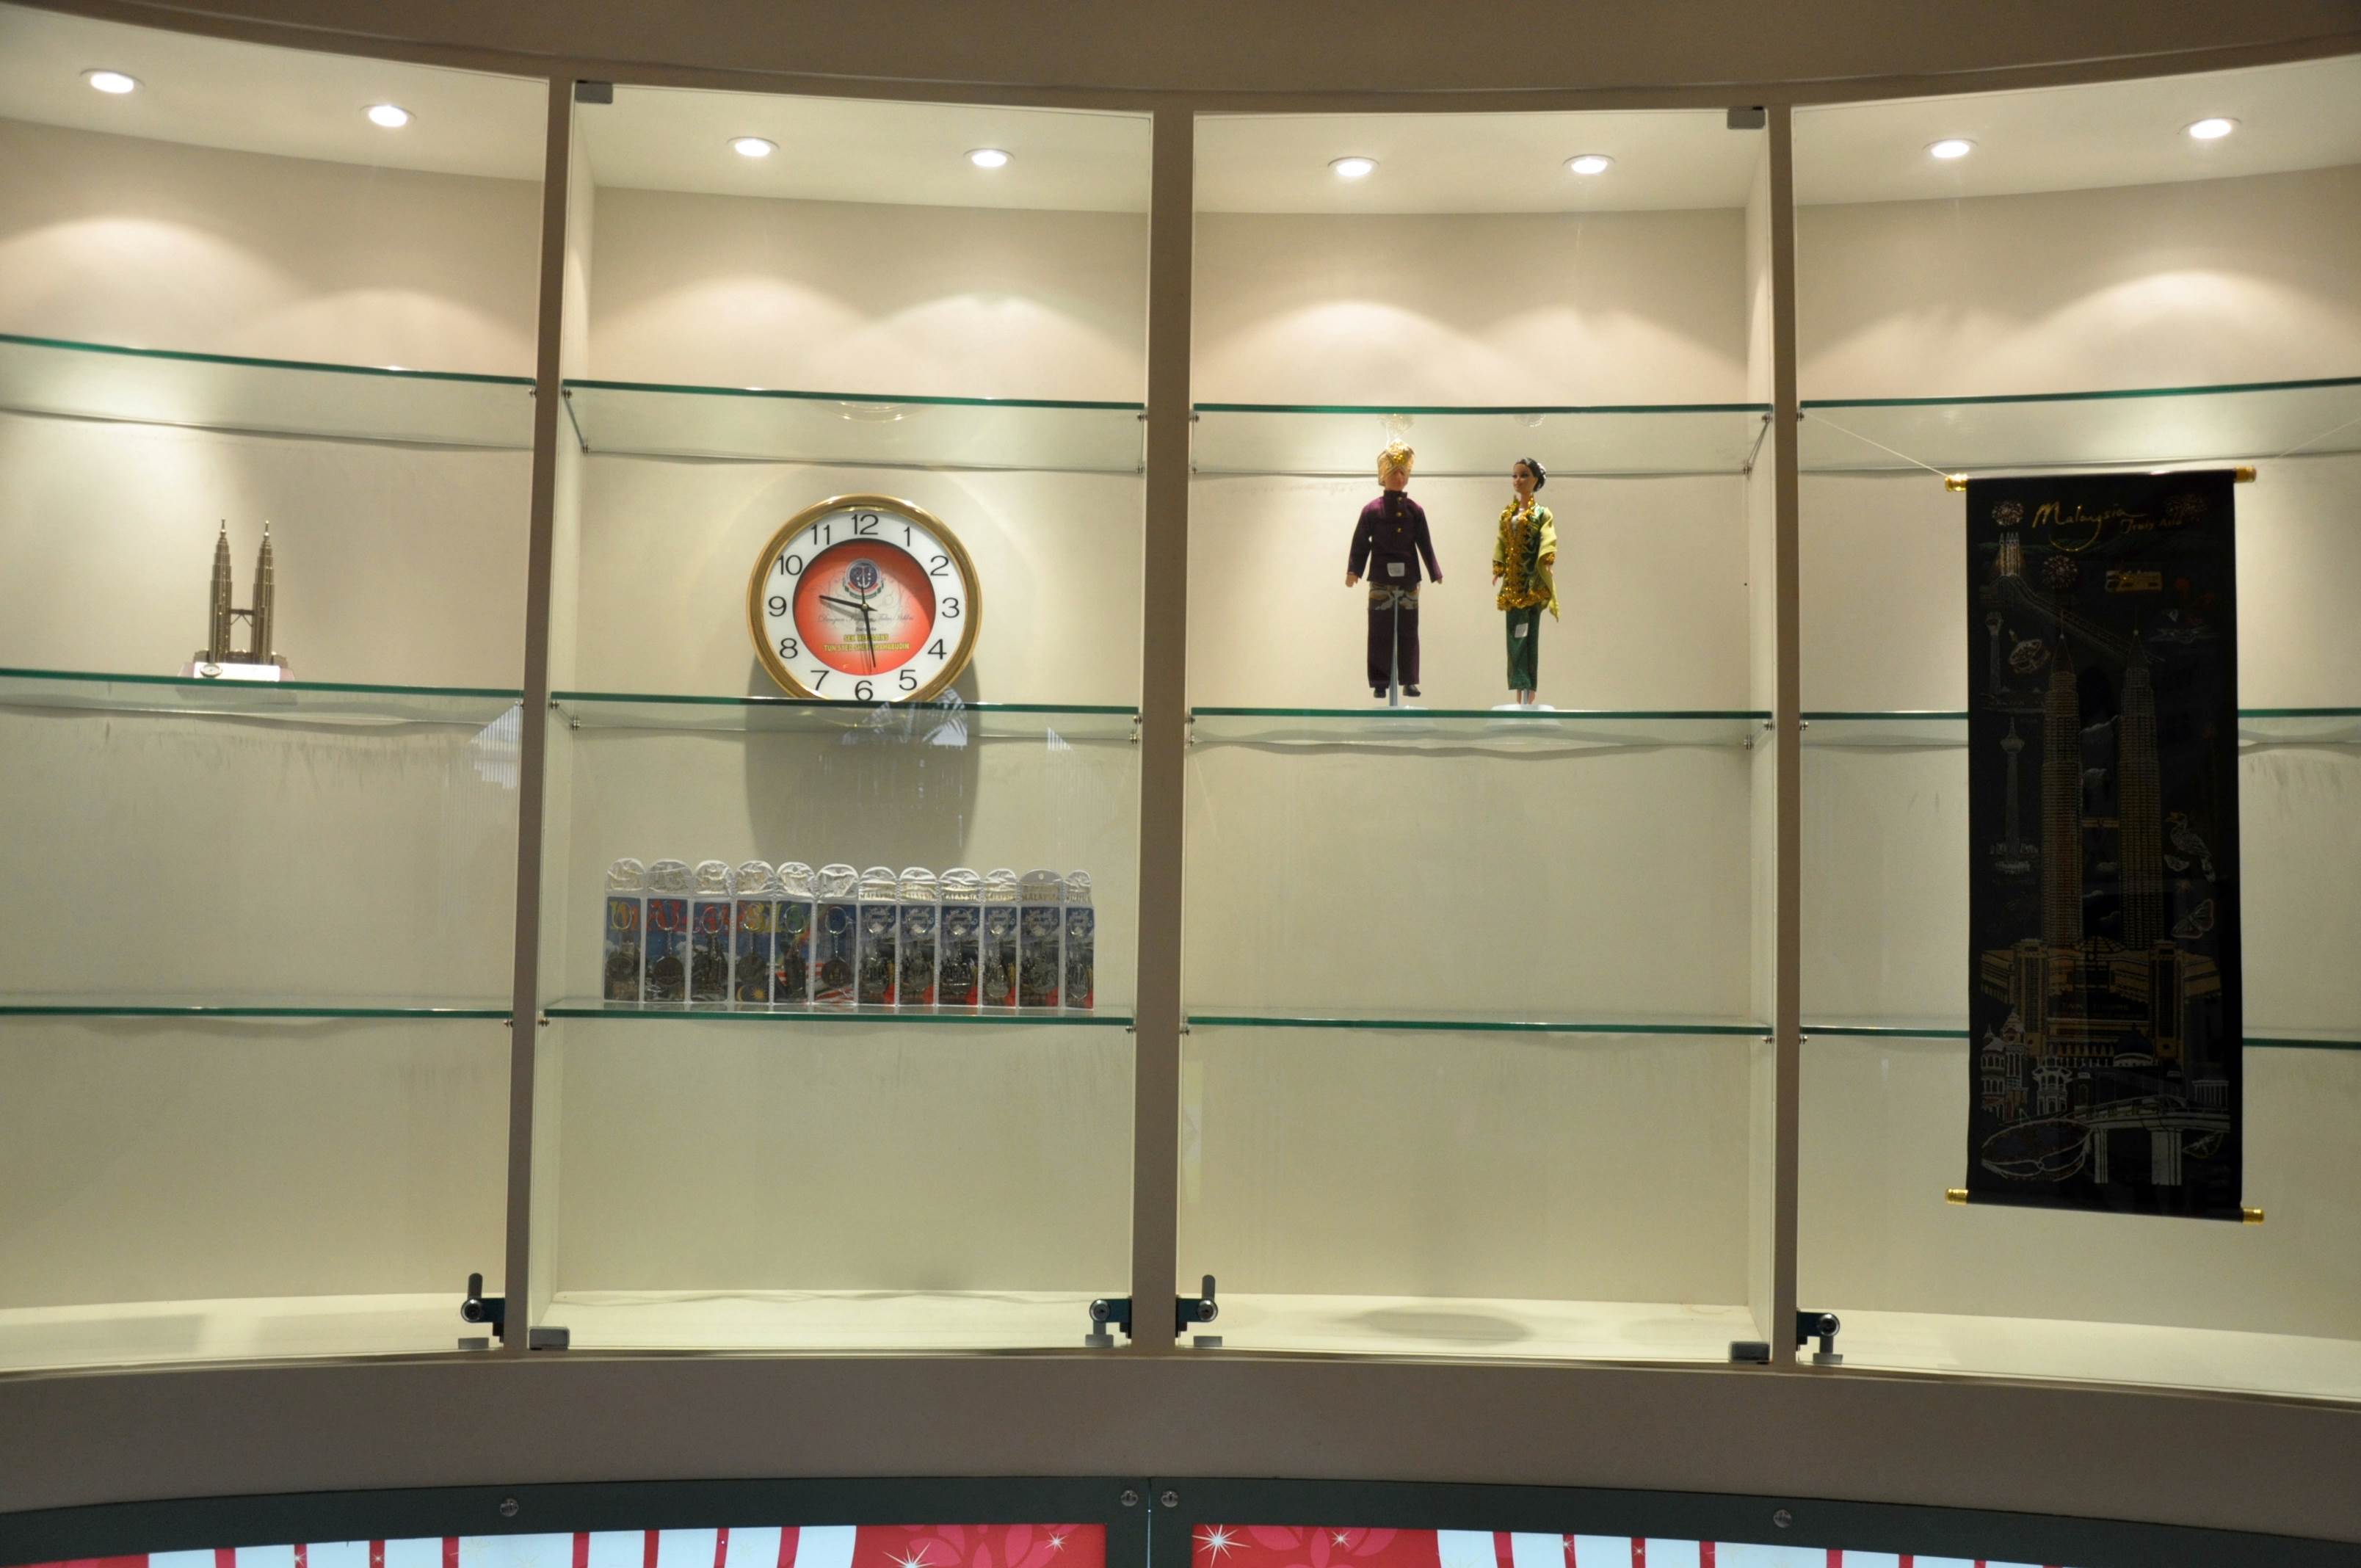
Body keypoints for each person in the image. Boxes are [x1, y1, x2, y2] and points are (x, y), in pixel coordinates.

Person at [1346, 441, 1441, 699]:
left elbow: (1425, 542)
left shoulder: (1415, 511)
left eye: (1403, 473)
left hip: (1409, 578)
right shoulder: (1372, 510)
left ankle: (1409, 680)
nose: (1399, 478)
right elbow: (1360, 542)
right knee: (1379, 630)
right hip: (1380, 578)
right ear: (1383, 476)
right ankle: (1380, 681)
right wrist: (1354, 570)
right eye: (1394, 473)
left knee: (1409, 631)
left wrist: (1434, 571)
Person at [1490, 457, 1558, 706]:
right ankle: (1518, 691)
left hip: (1531, 586)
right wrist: (1498, 566)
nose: (1518, 480)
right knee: (1514, 639)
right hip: (1512, 587)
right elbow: (1501, 542)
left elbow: (1548, 538)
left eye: (1524, 475)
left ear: (1536, 480)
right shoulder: (1507, 515)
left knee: (1530, 639)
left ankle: (1529, 691)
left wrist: (1547, 559)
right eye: (1515, 476)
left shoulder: (1542, 514)